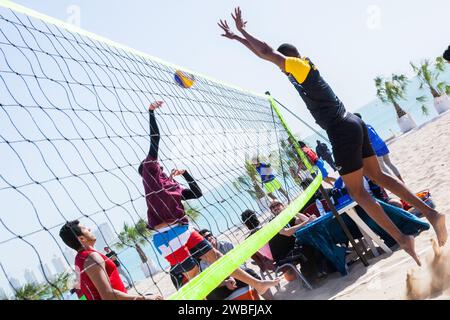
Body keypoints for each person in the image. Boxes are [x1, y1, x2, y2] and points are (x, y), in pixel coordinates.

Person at [218, 7, 447, 266]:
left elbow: (268, 52)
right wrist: (239, 40)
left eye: (283, 64)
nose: (281, 70)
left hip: (341, 129)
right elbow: (269, 55)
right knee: (378, 176)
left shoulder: (299, 66)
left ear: (290, 58)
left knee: (358, 192)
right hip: (353, 121)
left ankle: (403, 238)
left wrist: (242, 32)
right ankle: (431, 214)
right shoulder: (304, 69)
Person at [139, 101, 280, 294]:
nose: (161, 168)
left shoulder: (171, 186)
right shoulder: (150, 174)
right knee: (196, 276)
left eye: (160, 167)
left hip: (184, 229)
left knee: (215, 255)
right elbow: (155, 140)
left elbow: (197, 193)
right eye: (158, 167)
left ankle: (258, 284)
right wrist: (151, 113)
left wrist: (186, 174)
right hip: (167, 237)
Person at [59, 220, 163, 300]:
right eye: (85, 228)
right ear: (82, 239)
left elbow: (82, 292)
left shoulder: (79, 260)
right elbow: (108, 295)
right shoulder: (91, 257)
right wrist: (145, 298)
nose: (89, 229)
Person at [198, 229, 273, 300]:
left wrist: (233, 276)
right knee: (210, 295)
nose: (209, 238)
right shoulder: (203, 260)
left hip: (238, 275)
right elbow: (210, 281)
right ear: (203, 243)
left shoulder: (226, 245)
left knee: (250, 273)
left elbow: (240, 263)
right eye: (205, 238)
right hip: (222, 282)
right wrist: (225, 282)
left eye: (209, 235)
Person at [354, 113, 404, 182]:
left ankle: (396, 182)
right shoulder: (369, 125)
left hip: (376, 148)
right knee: (389, 163)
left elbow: (366, 142)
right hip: (382, 144)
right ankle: (401, 180)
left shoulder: (361, 130)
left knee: (382, 167)